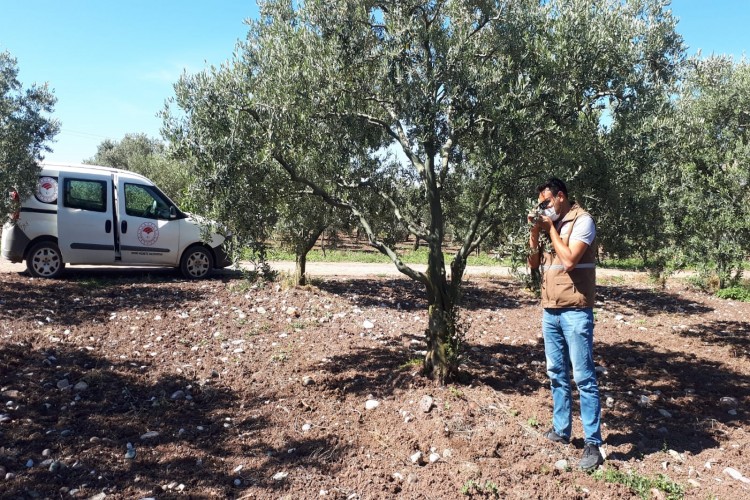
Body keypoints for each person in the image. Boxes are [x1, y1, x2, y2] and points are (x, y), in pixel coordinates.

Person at [527, 177, 604, 471]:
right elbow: (533, 265)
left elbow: (570, 260)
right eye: (540, 204)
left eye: (546, 202)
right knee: (556, 373)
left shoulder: (583, 221)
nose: (543, 207)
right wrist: (535, 232)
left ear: (561, 197)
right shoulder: (551, 225)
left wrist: (549, 230)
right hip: (551, 310)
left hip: (575, 311)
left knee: (584, 377)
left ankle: (593, 444)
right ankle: (561, 430)